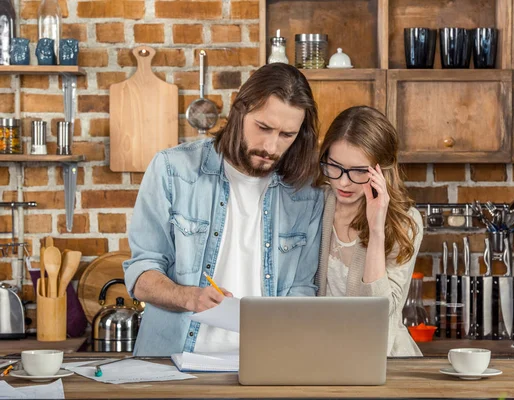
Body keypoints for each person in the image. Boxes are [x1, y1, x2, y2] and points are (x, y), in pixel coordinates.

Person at [123, 63, 324, 356]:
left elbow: (302, 291)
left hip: (263, 364)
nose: (270, 146)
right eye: (263, 127)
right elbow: (141, 276)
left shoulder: (306, 195)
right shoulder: (172, 169)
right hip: (173, 362)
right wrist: (188, 297)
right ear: (239, 110)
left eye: (286, 135)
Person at [315, 106, 423, 356]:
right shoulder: (317, 204)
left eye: (359, 172)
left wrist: (376, 230)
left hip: (383, 360)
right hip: (322, 355)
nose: (343, 182)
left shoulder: (405, 222)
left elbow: (382, 312)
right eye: (334, 166)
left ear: (382, 171)